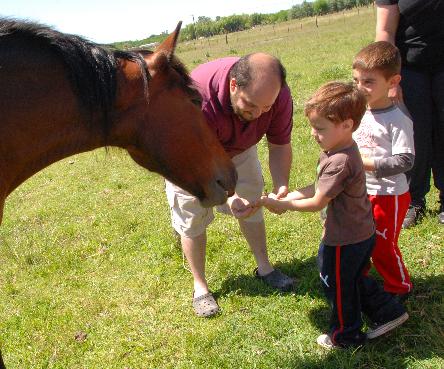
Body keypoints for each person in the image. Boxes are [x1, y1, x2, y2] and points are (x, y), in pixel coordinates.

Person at [255, 81, 408, 348]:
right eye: (313, 126)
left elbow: (317, 201)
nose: (314, 134)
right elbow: (318, 188)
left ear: (347, 125)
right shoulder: (342, 150)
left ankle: (345, 335)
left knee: (337, 285)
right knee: (353, 278)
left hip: (344, 239)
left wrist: (285, 206)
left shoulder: (339, 161)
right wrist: (288, 195)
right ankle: (389, 312)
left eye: (320, 128)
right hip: (361, 233)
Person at [165, 53, 295, 318]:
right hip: (187, 157)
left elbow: (280, 145)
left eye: (265, 107)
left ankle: (265, 267)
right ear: (234, 85)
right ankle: (200, 286)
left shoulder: (276, 96)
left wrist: (281, 186)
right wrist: (227, 196)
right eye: (250, 105)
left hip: (240, 148)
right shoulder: (196, 99)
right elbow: (197, 160)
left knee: (251, 202)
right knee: (192, 218)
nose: (257, 114)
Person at [352, 41, 414, 302]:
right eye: (356, 80)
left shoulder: (397, 119)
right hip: (361, 191)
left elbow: (406, 160)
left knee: (382, 244)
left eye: (368, 82)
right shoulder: (358, 113)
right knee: (361, 238)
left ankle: (399, 287)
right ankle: (360, 278)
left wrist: (368, 164)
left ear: (393, 81)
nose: (360, 88)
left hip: (389, 195)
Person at [375, 0, 444, 227]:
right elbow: (385, 30)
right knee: (415, 136)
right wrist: (390, 78)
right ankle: (414, 201)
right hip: (410, 68)